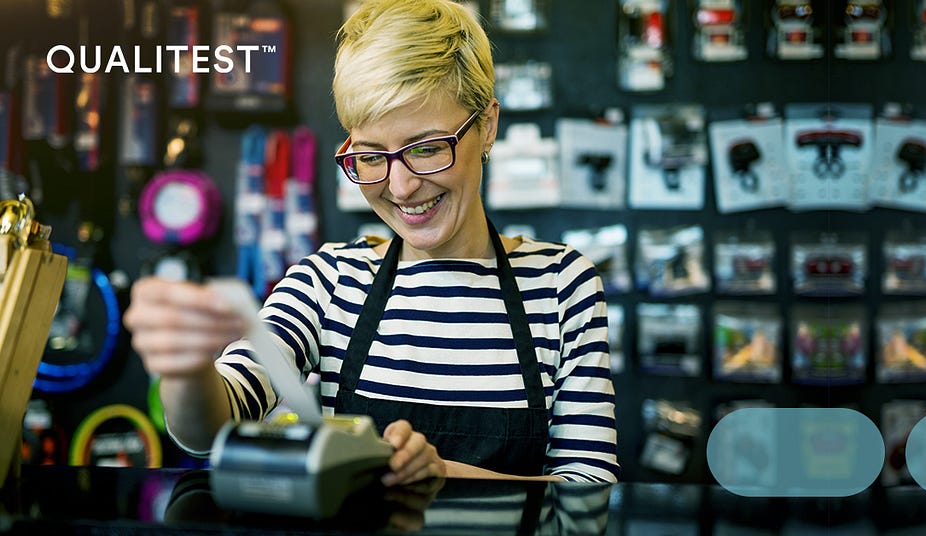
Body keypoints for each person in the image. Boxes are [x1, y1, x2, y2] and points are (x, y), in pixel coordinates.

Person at [123, 0, 619, 485]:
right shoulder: (329, 283)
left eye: (426, 149)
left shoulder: (561, 286)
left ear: (487, 126)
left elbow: (590, 487)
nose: (401, 187)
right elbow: (212, 427)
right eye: (371, 156)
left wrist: (443, 474)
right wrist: (184, 370)